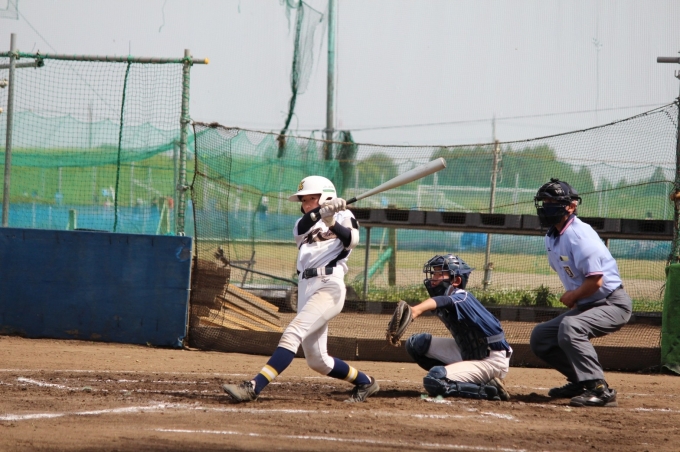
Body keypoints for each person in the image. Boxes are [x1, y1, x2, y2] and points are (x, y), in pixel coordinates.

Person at [222, 175, 379, 403]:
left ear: (326, 197)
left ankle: (254, 386)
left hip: (329, 286)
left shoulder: (345, 215)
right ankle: (365, 382)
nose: (305, 205)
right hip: (306, 287)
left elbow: (351, 241)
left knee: (292, 333)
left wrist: (332, 221)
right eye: (303, 201)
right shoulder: (302, 224)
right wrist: (322, 213)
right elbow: (305, 224)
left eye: (311, 199)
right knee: (317, 360)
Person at [530, 178, 632, 408]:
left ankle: (600, 389)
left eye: (553, 202)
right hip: (589, 303)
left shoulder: (580, 235)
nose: (547, 206)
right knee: (541, 337)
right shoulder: (552, 236)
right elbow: (571, 273)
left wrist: (573, 296)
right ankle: (581, 381)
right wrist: (577, 298)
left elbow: (596, 280)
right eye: (544, 202)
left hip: (612, 303)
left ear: (571, 206)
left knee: (571, 327)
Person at [405, 254, 512, 401]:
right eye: (434, 273)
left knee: (434, 380)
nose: (433, 278)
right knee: (416, 344)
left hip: (491, 360)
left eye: (439, 274)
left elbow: (444, 301)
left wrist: (416, 310)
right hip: (469, 352)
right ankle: (459, 377)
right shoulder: (449, 297)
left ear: (456, 281)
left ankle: (491, 390)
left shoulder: (462, 296)